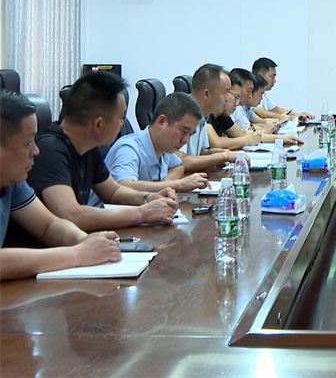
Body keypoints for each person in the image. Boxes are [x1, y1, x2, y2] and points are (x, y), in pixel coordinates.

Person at [9, 72, 178, 248]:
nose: (122, 124)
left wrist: (149, 198)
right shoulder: (50, 150)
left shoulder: (88, 147)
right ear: (98, 124)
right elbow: (70, 214)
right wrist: (142, 213)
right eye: (121, 118)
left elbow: (112, 192)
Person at [0, 91, 120, 280]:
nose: (36, 151)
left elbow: (48, 225)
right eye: (27, 143)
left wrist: (84, 239)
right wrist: (77, 254)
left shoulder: (12, 183)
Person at [104, 92, 211, 194]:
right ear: (161, 122)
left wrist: (165, 183)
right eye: (184, 131)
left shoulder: (164, 148)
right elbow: (123, 187)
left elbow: (179, 166)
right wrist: (178, 184)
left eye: (190, 135)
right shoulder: (128, 149)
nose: (186, 140)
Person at [208, 72, 302, 148]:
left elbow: (244, 134)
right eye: (236, 97)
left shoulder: (223, 116)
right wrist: (247, 140)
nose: (237, 103)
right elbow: (217, 143)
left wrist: (282, 139)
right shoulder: (206, 115)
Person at [176, 64, 238, 173]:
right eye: (225, 92)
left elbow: (200, 152)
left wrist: (220, 153)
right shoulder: (182, 114)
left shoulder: (203, 115)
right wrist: (223, 157)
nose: (227, 99)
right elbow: (180, 161)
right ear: (206, 94)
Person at [251, 57, 313, 121]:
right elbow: (261, 113)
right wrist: (283, 117)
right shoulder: (252, 92)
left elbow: (276, 110)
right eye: (272, 77)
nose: (274, 81)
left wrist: (297, 115)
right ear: (260, 75)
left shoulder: (264, 95)